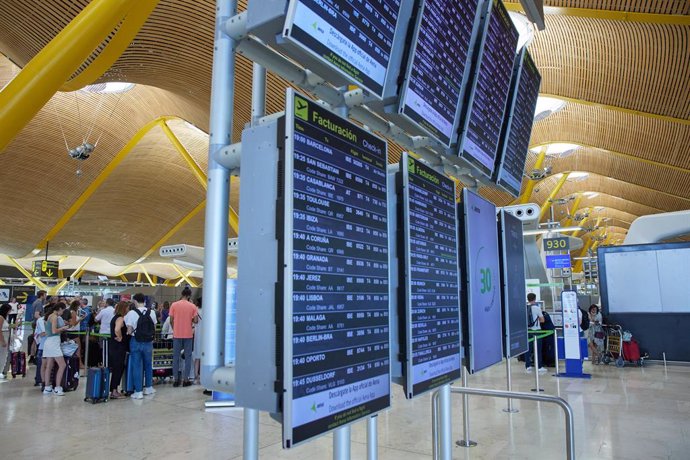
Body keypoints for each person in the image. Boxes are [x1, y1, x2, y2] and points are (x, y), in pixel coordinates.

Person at [124, 293, 157, 400]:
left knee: (137, 366)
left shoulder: (131, 313)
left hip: (136, 341)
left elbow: (129, 330)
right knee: (148, 364)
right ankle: (149, 387)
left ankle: (138, 391)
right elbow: (154, 327)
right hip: (148, 342)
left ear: (135, 301)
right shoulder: (151, 312)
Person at [169, 287, 198, 387]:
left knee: (176, 357)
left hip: (177, 334)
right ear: (189, 296)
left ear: (181, 294)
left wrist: (174, 328)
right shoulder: (193, 306)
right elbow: (196, 321)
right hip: (188, 335)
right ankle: (186, 380)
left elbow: (171, 320)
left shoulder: (174, 305)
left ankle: (176, 380)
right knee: (188, 357)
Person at [42, 302, 71, 395]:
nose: (63, 312)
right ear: (59, 309)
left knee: (49, 366)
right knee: (62, 365)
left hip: (49, 342)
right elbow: (54, 330)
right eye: (63, 310)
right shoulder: (54, 317)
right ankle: (58, 387)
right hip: (53, 342)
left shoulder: (49, 316)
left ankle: (47, 387)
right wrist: (64, 328)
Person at [108, 301, 130, 399]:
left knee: (117, 368)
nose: (128, 310)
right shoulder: (120, 318)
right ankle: (114, 391)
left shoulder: (115, 318)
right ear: (124, 308)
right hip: (118, 347)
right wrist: (120, 337)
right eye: (127, 308)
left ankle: (113, 389)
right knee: (118, 368)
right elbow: (117, 329)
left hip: (114, 346)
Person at [525, 293, 547, 374]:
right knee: (538, 349)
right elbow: (542, 320)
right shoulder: (537, 308)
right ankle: (539, 366)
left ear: (528, 299)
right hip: (536, 331)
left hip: (528, 331)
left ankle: (528, 366)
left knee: (528, 349)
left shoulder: (525, 308)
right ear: (535, 299)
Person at [33, 305, 51, 387]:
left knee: (45, 365)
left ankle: (43, 380)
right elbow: (43, 333)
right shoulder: (41, 320)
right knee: (42, 365)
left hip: (48, 345)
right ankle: (40, 380)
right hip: (43, 345)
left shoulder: (46, 320)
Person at [66, 300, 87, 369]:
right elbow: (73, 324)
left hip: (69, 332)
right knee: (78, 349)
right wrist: (81, 319)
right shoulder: (73, 312)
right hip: (73, 332)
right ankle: (80, 364)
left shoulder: (69, 311)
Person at [192, 297, 202, 384]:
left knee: (197, 357)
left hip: (198, 335)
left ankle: (196, 377)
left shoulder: (196, 310)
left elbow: (194, 321)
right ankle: (203, 376)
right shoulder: (208, 310)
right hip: (206, 336)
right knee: (204, 357)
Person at [0, 304, 10, 379]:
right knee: (1, 356)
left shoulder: (4, 318)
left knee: (3, 355)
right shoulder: (1, 318)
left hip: (5, 337)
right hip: (2, 338)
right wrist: (2, 340)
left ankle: (1, 370)